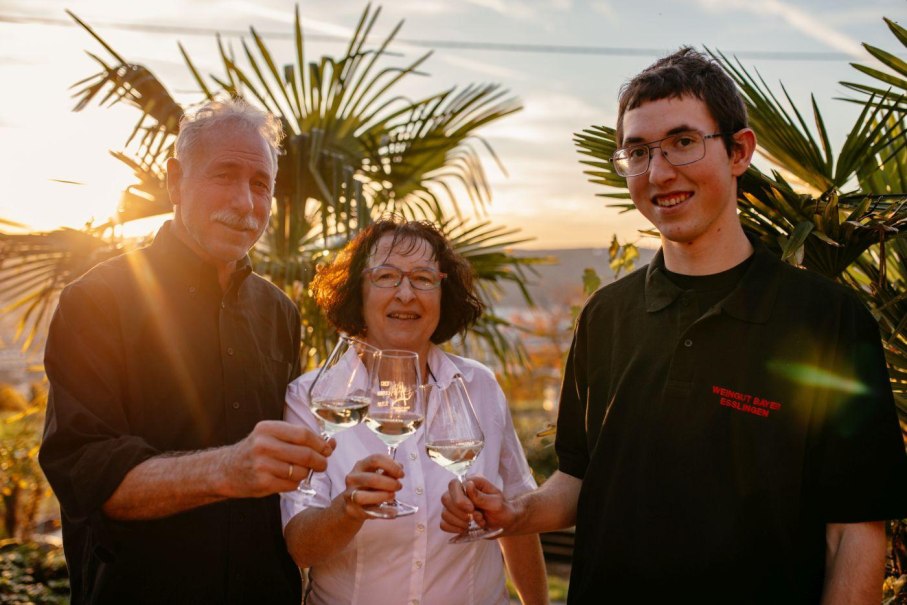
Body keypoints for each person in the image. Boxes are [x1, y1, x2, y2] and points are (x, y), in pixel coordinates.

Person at [441, 47, 907, 603]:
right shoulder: (605, 315)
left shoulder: (828, 319)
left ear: (739, 152)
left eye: (683, 143)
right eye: (638, 151)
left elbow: (853, 532)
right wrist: (515, 510)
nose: (659, 173)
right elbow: (578, 481)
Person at [39, 99, 334, 604]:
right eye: (224, 175)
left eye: (261, 184)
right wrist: (228, 469)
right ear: (175, 180)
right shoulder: (97, 299)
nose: (245, 202)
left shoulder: (281, 313)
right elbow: (85, 471)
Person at [281, 218, 549, 605]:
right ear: (358, 290)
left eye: (423, 278)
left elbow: (519, 520)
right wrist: (349, 508)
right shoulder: (310, 397)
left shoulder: (480, 387)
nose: (406, 294)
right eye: (386, 276)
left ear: (444, 292)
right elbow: (299, 547)